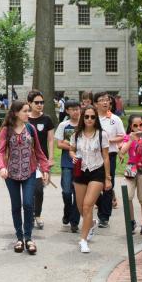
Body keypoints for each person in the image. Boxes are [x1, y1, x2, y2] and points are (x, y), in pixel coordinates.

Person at [0, 100, 50, 255]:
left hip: (29, 172)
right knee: (16, 205)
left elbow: (39, 151)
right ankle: (19, 238)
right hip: (11, 174)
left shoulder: (30, 129)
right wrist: (1, 167)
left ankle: (29, 238)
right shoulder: (6, 130)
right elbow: (0, 151)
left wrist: (45, 169)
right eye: (25, 111)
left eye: (28, 111)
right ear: (15, 113)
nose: (28, 114)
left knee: (28, 203)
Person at [71, 102, 111, 253]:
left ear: (96, 119)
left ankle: (83, 239)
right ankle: (91, 222)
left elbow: (106, 157)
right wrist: (73, 155)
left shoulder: (102, 134)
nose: (89, 119)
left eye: (92, 117)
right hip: (80, 171)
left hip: (97, 171)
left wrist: (108, 178)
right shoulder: (76, 134)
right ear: (83, 117)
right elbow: (72, 150)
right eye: (86, 116)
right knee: (82, 208)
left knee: (88, 206)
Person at [119, 114, 142, 235]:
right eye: (135, 125)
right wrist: (131, 139)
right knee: (127, 196)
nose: (139, 127)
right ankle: (131, 221)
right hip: (131, 168)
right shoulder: (128, 137)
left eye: (141, 124)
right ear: (130, 126)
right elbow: (122, 150)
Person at [94, 92, 125, 229]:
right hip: (93, 156)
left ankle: (104, 216)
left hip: (110, 155)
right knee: (91, 184)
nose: (105, 102)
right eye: (102, 100)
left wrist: (107, 140)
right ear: (96, 104)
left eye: (107, 100)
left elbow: (122, 137)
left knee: (108, 185)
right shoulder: (91, 118)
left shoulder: (115, 119)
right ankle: (102, 205)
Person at [25, 90, 55, 230]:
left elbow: (50, 140)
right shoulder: (25, 119)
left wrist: (50, 158)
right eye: (36, 102)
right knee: (28, 190)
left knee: (39, 190)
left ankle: (37, 215)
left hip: (41, 161)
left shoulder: (47, 119)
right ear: (29, 103)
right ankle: (29, 215)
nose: (39, 105)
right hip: (27, 160)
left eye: (42, 102)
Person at [53, 98, 81, 233]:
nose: (76, 112)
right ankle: (67, 211)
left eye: (78, 109)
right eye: (73, 109)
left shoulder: (85, 124)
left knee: (78, 193)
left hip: (81, 164)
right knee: (66, 192)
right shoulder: (64, 125)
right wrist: (73, 146)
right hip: (67, 163)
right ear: (67, 111)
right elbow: (59, 144)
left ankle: (74, 221)